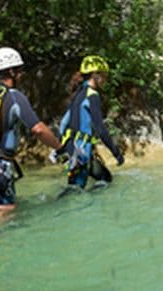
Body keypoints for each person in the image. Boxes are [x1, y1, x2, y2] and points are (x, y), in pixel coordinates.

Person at [0, 47, 61, 212]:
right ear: (11, 71)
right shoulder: (14, 96)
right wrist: (60, 148)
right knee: (3, 215)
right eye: (20, 70)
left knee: (3, 210)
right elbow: (38, 129)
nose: (22, 74)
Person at [51, 55, 124, 190]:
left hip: (73, 149)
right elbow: (101, 129)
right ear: (96, 75)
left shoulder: (78, 94)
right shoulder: (93, 96)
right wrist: (116, 153)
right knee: (76, 190)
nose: (106, 79)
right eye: (104, 75)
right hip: (81, 152)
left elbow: (64, 123)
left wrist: (60, 148)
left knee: (104, 178)